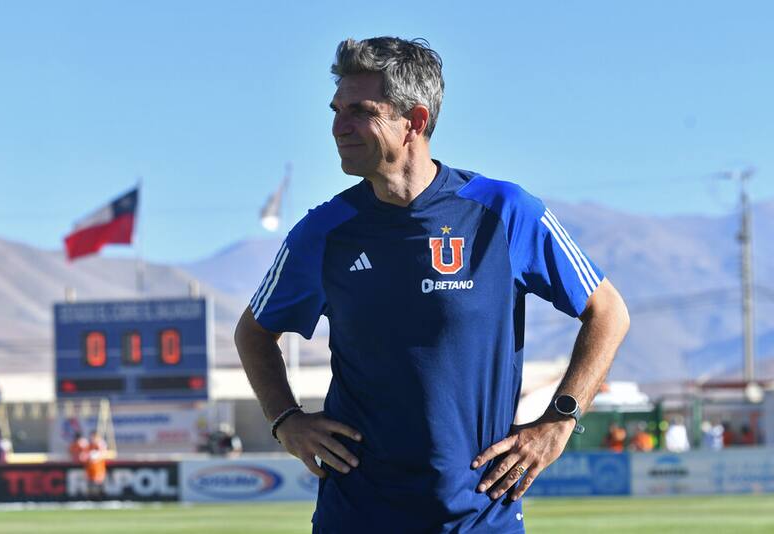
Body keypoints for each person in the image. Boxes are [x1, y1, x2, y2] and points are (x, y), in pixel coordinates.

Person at [235, 36, 630, 533]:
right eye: (336, 110)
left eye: (360, 111)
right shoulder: (324, 231)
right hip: (357, 517)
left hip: (481, 516)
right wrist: (285, 420)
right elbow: (253, 333)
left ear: (415, 122)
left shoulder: (504, 212)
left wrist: (559, 420)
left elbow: (609, 312)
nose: (338, 127)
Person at [85, 430, 108, 500]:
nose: (92, 438)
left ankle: (101, 498)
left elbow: (103, 453)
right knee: (91, 483)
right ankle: (92, 497)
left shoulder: (100, 444)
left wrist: (96, 455)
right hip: (91, 468)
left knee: (99, 483)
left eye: (93, 436)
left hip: (98, 467)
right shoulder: (89, 445)